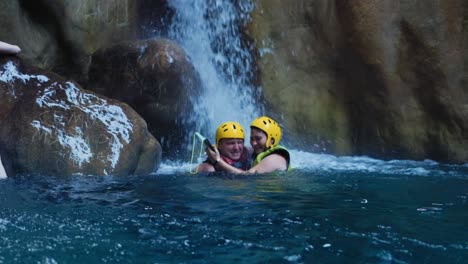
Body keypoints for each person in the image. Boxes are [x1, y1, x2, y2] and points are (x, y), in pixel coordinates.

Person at [207, 116, 291, 174]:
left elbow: (247, 176)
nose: (253, 143)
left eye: (258, 139)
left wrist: (217, 161)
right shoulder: (259, 151)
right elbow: (242, 149)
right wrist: (217, 148)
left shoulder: (275, 159)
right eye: (251, 139)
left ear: (272, 140)